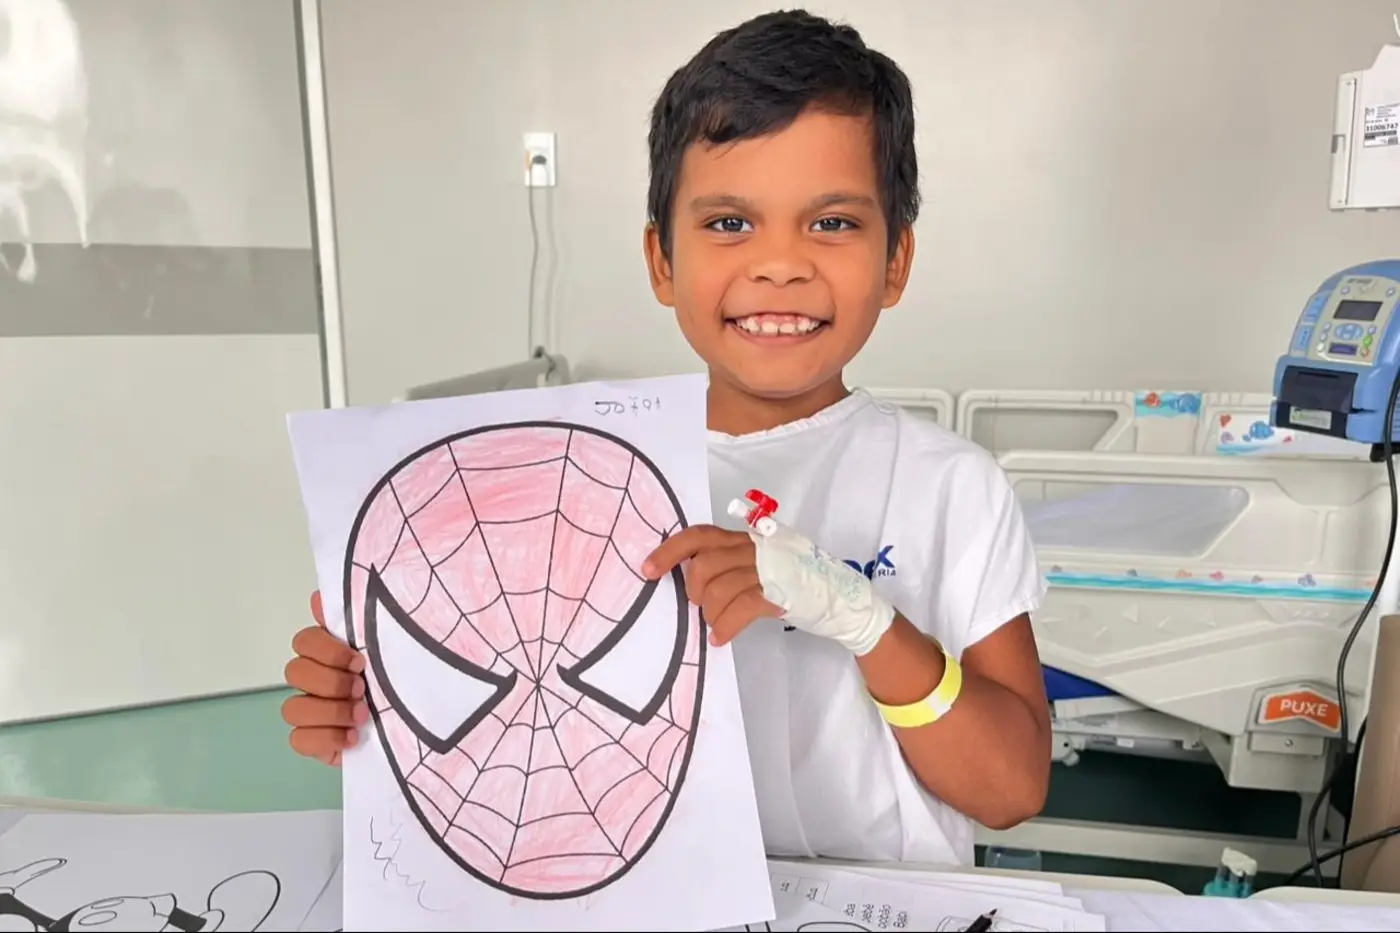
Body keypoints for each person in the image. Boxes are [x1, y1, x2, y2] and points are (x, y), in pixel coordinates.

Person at [280, 8, 1051, 867]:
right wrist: (367, 700)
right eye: (729, 223)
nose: (780, 264)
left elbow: (1013, 790)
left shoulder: (951, 487)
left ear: (896, 260)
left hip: (894, 908)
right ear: (661, 261)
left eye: (833, 222)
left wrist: (861, 616)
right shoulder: (576, 483)